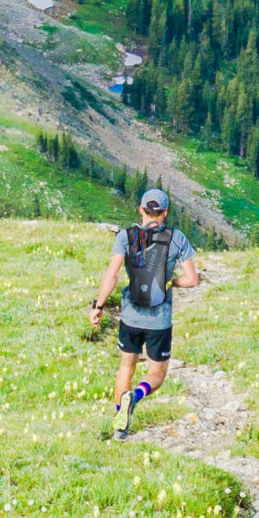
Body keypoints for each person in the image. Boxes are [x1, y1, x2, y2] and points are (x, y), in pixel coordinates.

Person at [88, 187, 199, 438]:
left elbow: (113, 274)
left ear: (140, 210)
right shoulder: (177, 238)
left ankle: (120, 427)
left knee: (126, 367)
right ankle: (136, 396)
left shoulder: (125, 237)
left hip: (130, 315)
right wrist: (171, 283)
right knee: (156, 374)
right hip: (159, 320)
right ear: (165, 213)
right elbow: (192, 279)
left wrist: (98, 307)